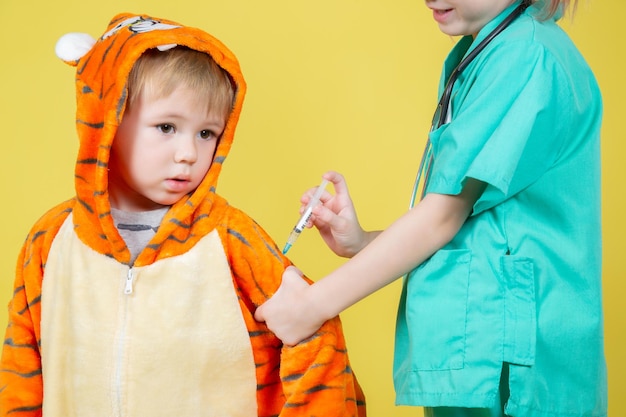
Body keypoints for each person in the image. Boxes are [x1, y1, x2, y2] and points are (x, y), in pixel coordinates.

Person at [0, 13, 366, 417]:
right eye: (166, 127)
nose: (188, 153)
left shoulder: (231, 239)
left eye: (206, 133)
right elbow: (21, 373)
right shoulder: (51, 241)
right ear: (108, 121)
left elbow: (316, 338)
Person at [254, 0, 607, 416]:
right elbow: (481, 225)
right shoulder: (482, 52)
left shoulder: (526, 56)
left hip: (510, 355)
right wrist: (362, 242)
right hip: (481, 342)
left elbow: (444, 214)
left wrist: (311, 307)